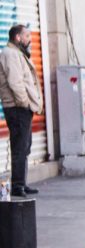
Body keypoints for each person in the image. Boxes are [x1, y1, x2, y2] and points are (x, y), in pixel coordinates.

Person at [0, 24, 42, 197]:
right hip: (17, 108)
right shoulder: (10, 54)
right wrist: (24, 103)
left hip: (23, 108)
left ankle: (22, 183)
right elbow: (15, 82)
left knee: (25, 146)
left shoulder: (18, 53)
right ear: (17, 37)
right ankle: (17, 186)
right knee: (19, 147)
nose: (29, 39)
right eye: (26, 36)